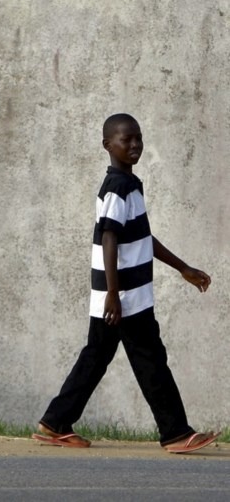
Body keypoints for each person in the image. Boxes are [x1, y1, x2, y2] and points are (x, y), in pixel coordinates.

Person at [33, 113, 218, 454]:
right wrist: (113, 295)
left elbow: (142, 236)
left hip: (124, 296)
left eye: (138, 138)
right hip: (124, 298)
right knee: (150, 358)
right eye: (126, 139)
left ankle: (55, 423)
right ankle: (175, 433)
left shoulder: (129, 184)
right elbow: (109, 237)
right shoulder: (117, 187)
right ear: (108, 145)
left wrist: (182, 267)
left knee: (96, 356)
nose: (135, 145)